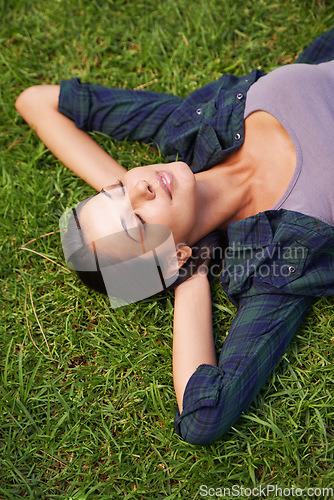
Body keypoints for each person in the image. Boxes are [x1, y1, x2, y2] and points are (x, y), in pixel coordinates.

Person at [15, 27, 334, 446]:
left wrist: (131, 201)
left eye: (116, 190)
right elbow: (203, 415)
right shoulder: (275, 260)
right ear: (177, 254)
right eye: (137, 223)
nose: (138, 188)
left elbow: (35, 102)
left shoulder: (191, 128)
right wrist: (192, 276)